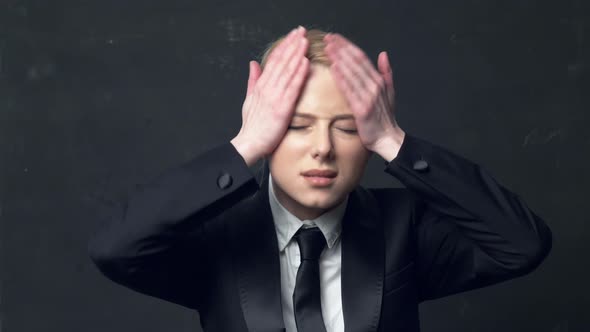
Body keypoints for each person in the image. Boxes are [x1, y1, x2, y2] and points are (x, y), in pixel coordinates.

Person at [88, 25, 552, 332]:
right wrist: (245, 146)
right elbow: (115, 249)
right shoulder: (218, 236)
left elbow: (522, 245)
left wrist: (393, 139)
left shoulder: (404, 227)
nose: (323, 148)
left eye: (348, 127)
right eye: (295, 125)